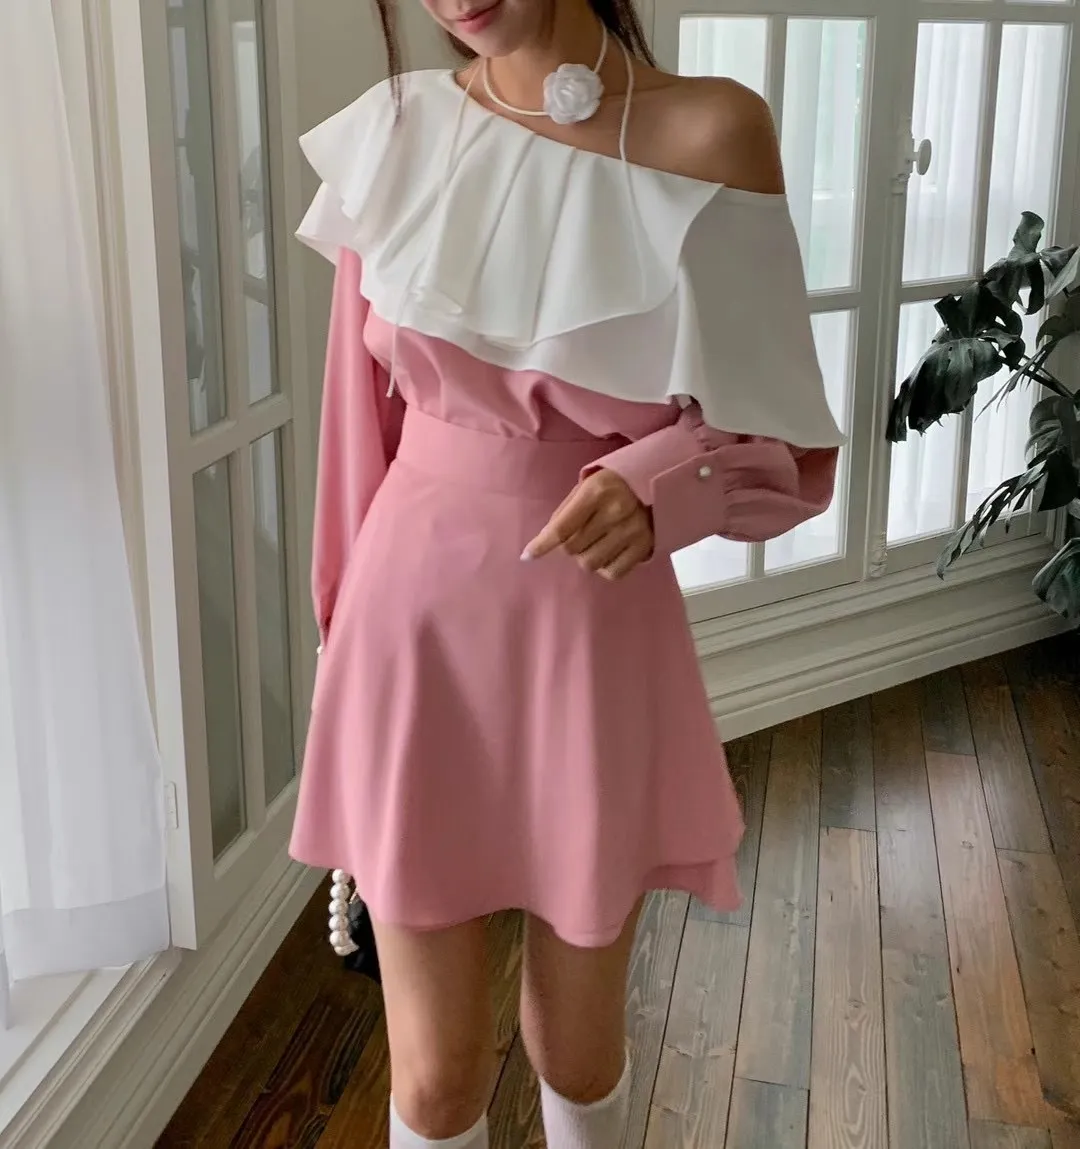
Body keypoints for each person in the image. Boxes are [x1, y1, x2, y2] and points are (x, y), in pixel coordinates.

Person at [289, 0, 843, 1145]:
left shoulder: (713, 132)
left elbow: (788, 443)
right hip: (407, 631)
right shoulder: (394, 132)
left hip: (589, 631)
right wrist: (337, 634)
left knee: (579, 1048)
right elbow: (356, 429)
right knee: (435, 1077)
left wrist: (660, 481)